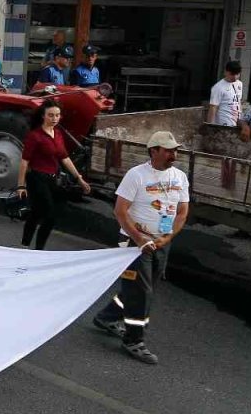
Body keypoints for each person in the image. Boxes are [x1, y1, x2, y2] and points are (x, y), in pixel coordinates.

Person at [92, 131, 190, 365]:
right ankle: (134, 340)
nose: (173, 154)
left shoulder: (180, 177)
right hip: (134, 245)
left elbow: (183, 212)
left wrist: (167, 237)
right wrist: (139, 239)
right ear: (153, 151)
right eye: (168, 150)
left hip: (161, 242)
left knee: (141, 289)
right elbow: (120, 211)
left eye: (175, 150)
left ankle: (107, 317)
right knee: (142, 292)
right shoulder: (136, 175)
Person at [15, 100, 91, 249]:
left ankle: (25, 244)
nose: (54, 118)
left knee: (36, 213)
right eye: (51, 115)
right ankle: (38, 250)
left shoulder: (58, 134)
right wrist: (20, 185)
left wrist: (79, 179)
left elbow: (65, 158)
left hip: (52, 179)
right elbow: (24, 162)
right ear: (43, 116)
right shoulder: (35, 136)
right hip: (36, 179)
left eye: (57, 115)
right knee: (49, 217)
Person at [207, 60, 244, 126]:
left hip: (237, 122)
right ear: (226, 72)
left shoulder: (239, 84)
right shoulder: (218, 87)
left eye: (237, 74)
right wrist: (210, 126)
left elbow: (239, 101)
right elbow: (213, 108)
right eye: (232, 74)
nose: (235, 77)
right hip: (224, 123)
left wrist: (241, 118)